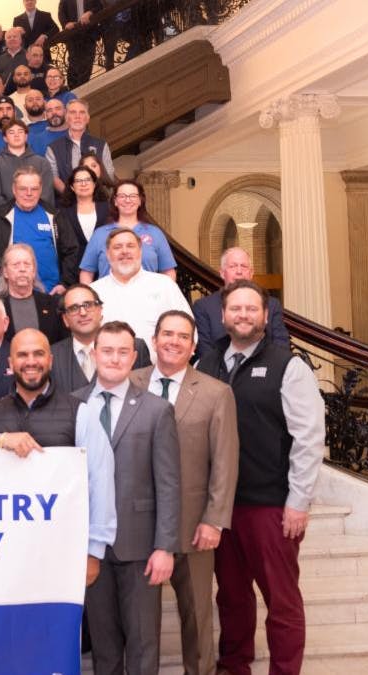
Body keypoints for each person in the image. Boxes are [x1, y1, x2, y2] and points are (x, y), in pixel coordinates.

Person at [197, 280, 325, 675]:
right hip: (222, 508)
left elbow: (308, 438)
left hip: (271, 506)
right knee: (232, 598)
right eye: (235, 308)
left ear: (266, 316)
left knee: (281, 600)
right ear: (223, 316)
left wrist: (298, 502)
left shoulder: (290, 366)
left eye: (252, 309)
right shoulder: (208, 362)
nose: (243, 315)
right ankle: (234, 666)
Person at [128, 310, 239, 675]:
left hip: (194, 526)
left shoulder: (216, 393)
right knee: (141, 625)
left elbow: (224, 462)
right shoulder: (129, 384)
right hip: (140, 525)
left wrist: (214, 520)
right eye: (167, 334)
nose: (173, 341)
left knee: (197, 618)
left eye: (182, 336)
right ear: (154, 340)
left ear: (193, 346)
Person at [0, 327, 117, 590]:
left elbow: (101, 482)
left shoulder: (80, 413)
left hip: (61, 548)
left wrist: (94, 551)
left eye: (38, 354)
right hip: (0, 553)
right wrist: (0, 441)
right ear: (10, 363)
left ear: (50, 360)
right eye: (22, 354)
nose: (31, 361)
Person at [75, 320, 180, 675]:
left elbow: (168, 484)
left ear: (134, 357)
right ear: (94, 354)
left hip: (140, 546)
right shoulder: (72, 406)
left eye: (123, 352)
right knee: (103, 647)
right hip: (89, 547)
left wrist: (165, 546)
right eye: (107, 350)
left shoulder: (156, 409)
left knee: (142, 643)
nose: (115, 358)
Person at [91, 229, 192, 351]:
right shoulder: (93, 292)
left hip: (157, 369)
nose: (124, 251)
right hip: (107, 367)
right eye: (117, 247)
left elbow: (188, 328)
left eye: (130, 246)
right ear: (107, 254)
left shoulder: (165, 285)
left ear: (140, 251)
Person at [0, 165, 80, 293]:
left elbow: (71, 250)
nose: (29, 193)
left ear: (41, 189)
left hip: (52, 293)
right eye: (23, 189)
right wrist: (1, 286)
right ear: (14, 189)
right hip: (12, 294)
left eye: (34, 189)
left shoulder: (54, 215)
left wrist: (65, 283)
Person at [50, 283, 152, 393]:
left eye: (88, 305)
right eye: (74, 308)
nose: (83, 313)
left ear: (100, 310)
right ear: (65, 319)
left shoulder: (135, 347)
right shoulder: (52, 356)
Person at [192, 247, 289, 356]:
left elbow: (281, 346)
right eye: (233, 266)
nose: (239, 271)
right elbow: (204, 351)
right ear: (222, 273)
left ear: (251, 273)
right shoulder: (204, 307)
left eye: (244, 266)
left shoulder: (271, 304)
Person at [80, 180, 177, 282]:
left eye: (133, 196)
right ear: (115, 201)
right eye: (122, 196)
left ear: (140, 201)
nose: (127, 200)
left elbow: (168, 272)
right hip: (108, 296)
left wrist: (164, 296)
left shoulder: (155, 233)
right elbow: (87, 273)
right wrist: (89, 297)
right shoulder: (100, 234)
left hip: (147, 296)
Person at [0, 243, 66, 345]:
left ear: (34, 271)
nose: (22, 269)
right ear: (5, 272)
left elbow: (62, 344)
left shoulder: (53, 304)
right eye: (16, 265)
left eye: (27, 264)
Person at [46, 99, 113, 193]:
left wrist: (91, 194)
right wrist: (72, 196)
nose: (77, 116)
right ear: (66, 118)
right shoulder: (53, 148)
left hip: (99, 199)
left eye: (82, 112)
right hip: (70, 202)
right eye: (73, 112)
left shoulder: (101, 145)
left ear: (88, 118)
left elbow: (109, 174)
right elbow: (54, 178)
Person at [0, 119, 56, 208]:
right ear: (5, 138)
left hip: (37, 214)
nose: (16, 135)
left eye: (20, 132)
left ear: (26, 136)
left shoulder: (42, 163)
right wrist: (12, 212)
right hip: (6, 216)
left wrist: (32, 210)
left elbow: (46, 194)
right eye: (11, 132)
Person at [58, 165, 110, 252]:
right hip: (77, 262)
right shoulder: (63, 212)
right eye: (78, 181)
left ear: (94, 184)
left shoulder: (107, 207)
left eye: (87, 180)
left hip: (105, 260)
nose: (83, 184)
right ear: (72, 187)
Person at [57, 0, 104, 87]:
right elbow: (61, 13)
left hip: (89, 34)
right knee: (73, 65)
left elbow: (99, 6)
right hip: (73, 36)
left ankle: (82, 90)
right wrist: (66, 24)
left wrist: (90, 12)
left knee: (87, 64)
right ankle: (73, 90)